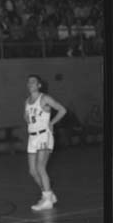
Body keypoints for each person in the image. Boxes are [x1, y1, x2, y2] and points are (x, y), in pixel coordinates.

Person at [24, 74, 67, 211]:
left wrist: (52, 123)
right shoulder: (27, 101)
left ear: (39, 85)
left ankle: (47, 200)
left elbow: (62, 110)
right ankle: (48, 194)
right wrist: (27, 118)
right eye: (29, 82)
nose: (30, 83)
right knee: (32, 171)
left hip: (43, 135)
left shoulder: (45, 98)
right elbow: (26, 116)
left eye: (33, 82)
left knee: (41, 167)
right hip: (32, 137)